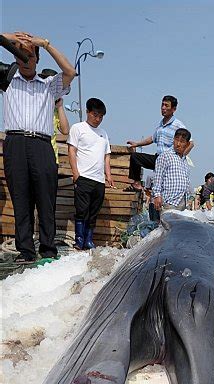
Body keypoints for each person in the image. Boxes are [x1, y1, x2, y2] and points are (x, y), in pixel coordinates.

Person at [1, 31, 75, 263]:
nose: (24, 59)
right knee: (20, 199)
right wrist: (10, 37)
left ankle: (47, 249)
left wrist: (45, 44)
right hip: (15, 143)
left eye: (30, 55)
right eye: (20, 54)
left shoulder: (49, 85)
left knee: (45, 199)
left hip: (42, 146)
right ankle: (25, 251)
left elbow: (70, 71)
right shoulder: (8, 80)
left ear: (37, 60)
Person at [67, 97, 115, 250]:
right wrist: (75, 173)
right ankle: (79, 240)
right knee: (82, 211)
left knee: (93, 212)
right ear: (87, 112)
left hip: (98, 180)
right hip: (84, 177)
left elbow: (106, 156)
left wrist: (108, 175)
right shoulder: (78, 128)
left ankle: (89, 239)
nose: (98, 119)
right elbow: (72, 150)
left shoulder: (103, 134)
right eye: (95, 115)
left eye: (101, 116)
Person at [125, 95, 194, 191]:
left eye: (166, 106)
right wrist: (137, 144)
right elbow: (152, 139)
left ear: (173, 109)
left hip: (170, 159)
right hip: (158, 159)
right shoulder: (161, 125)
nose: (163, 108)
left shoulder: (178, 125)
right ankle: (136, 184)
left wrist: (179, 158)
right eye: (162, 105)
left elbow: (191, 143)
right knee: (135, 157)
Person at [152, 128, 191, 213]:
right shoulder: (165, 156)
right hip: (169, 202)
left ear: (187, 144)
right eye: (176, 140)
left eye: (182, 141)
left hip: (182, 203)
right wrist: (157, 196)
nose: (178, 144)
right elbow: (157, 177)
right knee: (168, 225)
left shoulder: (184, 160)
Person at [38, 68, 70, 164]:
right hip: (36, 153)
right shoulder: (37, 104)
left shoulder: (56, 110)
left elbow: (65, 130)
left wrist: (60, 107)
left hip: (51, 156)